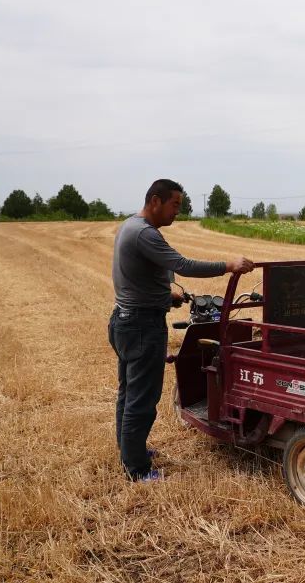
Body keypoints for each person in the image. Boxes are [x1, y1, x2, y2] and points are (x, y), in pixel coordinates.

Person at [109, 179, 254, 482]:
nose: (179, 210)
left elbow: (136, 281)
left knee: (128, 392)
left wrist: (168, 297)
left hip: (125, 319)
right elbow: (183, 265)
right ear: (155, 201)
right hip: (141, 326)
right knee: (142, 399)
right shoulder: (145, 234)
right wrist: (230, 264)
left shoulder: (129, 226)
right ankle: (136, 468)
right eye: (175, 204)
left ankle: (130, 451)